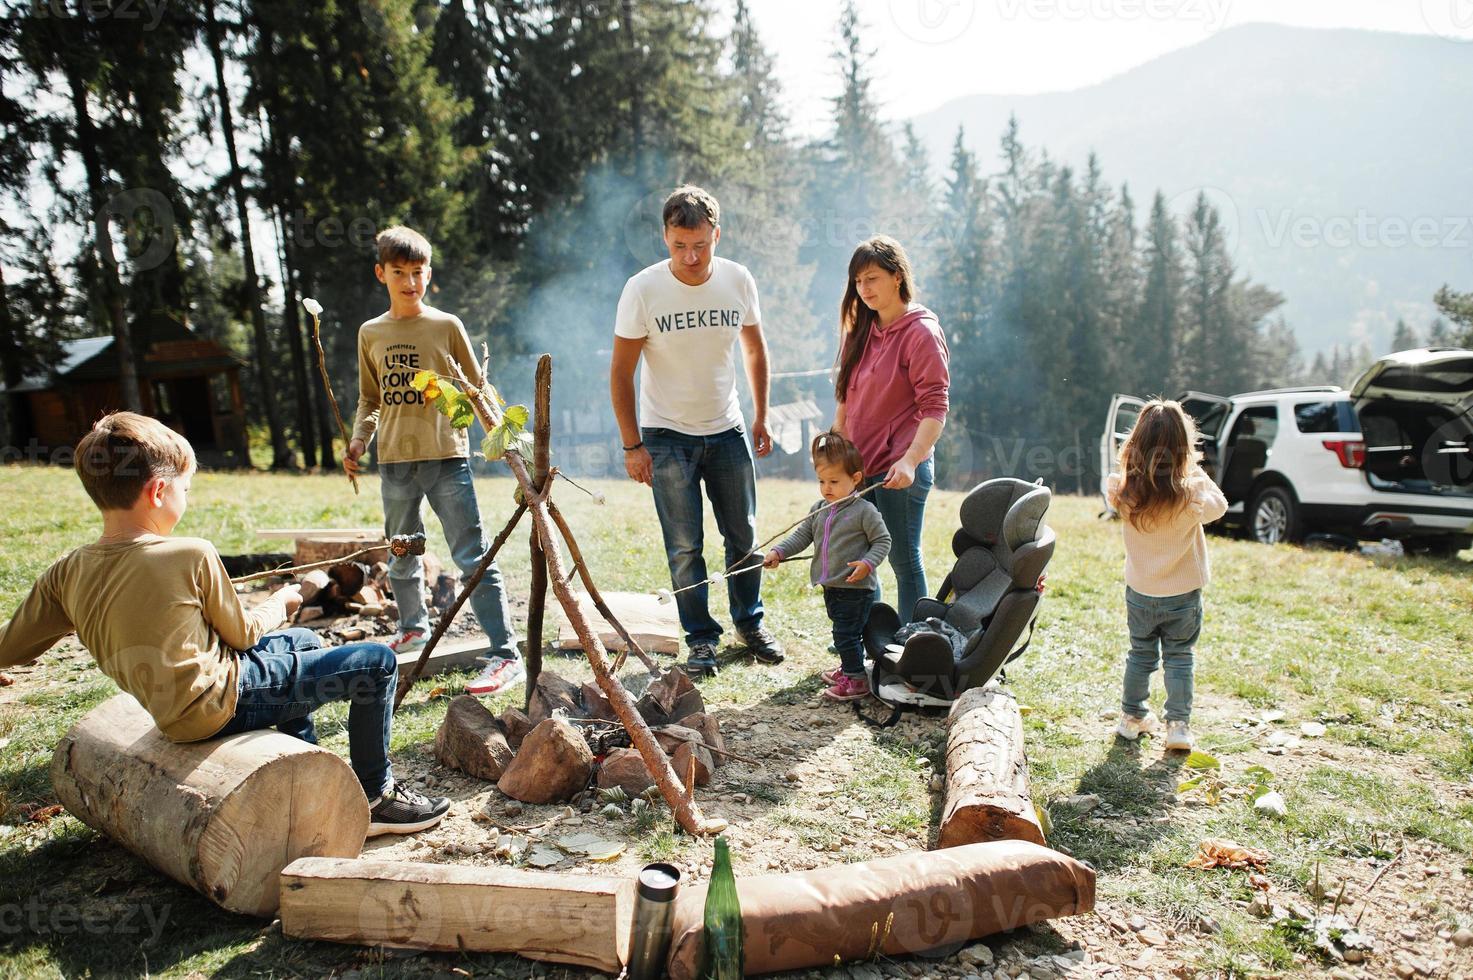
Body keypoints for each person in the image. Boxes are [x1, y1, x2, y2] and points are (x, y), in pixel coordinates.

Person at [0, 412, 449, 835]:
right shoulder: (188, 553)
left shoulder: (67, 571)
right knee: (375, 663)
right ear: (158, 492)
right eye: (186, 489)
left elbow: (12, 648)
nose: (187, 499)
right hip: (220, 702)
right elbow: (244, 634)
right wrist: (285, 598)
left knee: (303, 642)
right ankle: (376, 796)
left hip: (172, 710)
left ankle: (306, 763)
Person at [610, 185, 784, 678]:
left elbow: (754, 349)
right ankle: (702, 640)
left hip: (726, 429)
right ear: (666, 236)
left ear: (716, 236)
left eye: (701, 245)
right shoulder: (642, 289)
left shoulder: (738, 280)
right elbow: (621, 372)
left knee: (743, 535)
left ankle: (749, 625)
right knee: (685, 545)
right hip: (665, 436)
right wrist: (632, 444)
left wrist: (761, 415)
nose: (690, 256)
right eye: (680, 244)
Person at [344, 226, 522, 697]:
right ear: (381, 273)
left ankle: (505, 654)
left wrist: (503, 439)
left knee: (472, 556)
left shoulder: (446, 326)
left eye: (418, 273)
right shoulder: (371, 333)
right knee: (403, 551)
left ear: (429, 274)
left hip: (447, 458)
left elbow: (477, 388)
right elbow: (370, 398)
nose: (409, 282)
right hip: (396, 461)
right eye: (399, 273)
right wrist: (360, 440)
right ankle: (413, 627)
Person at [832, 235, 950, 624]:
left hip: (899, 472)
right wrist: (836, 451)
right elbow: (847, 396)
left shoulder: (921, 333)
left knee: (902, 558)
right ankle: (871, 646)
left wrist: (911, 461)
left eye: (872, 279)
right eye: (858, 282)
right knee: (861, 559)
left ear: (897, 277)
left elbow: (935, 407)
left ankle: (913, 645)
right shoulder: (861, 329)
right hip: (859, 469)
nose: (864, 290)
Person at [1105, 399, 1228, 752]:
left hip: (1140, 591)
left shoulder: (1122, 490)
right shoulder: (1192, 495)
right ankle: (1177, 725)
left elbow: (1120, 484)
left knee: (1140, 654)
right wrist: (1195, 471)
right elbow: (1220, 507)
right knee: (1179, 657)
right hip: (1182, 595)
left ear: (1135, 444)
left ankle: (1131, 718)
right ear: (1184, 448)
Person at [764, 431, 890, 701]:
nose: (826, 487)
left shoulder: (864, 511)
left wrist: (868, 563)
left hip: (855, 588)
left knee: (845, 634)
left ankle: (856, 680)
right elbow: (802, 536)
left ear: (855, 479)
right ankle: (849, 667)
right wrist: (779, 551)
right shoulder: (820, 508)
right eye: (822, 481)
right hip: (832, 586)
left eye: (834, 481)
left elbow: (883, 540)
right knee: (844, 632)